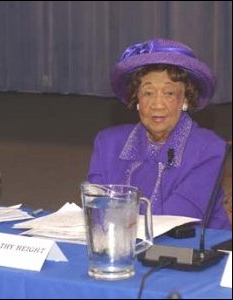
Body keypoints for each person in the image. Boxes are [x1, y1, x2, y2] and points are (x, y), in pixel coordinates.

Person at [87, 38, 230, 229]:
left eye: (169, 93)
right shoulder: (108, 143)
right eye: (148, 93)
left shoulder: (209, 149)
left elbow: (176, 221)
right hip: (118, 250)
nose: (157, 104)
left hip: (191, 253)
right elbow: (96, 212)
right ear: (136, 98)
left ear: (185, 99)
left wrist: (114, 219)